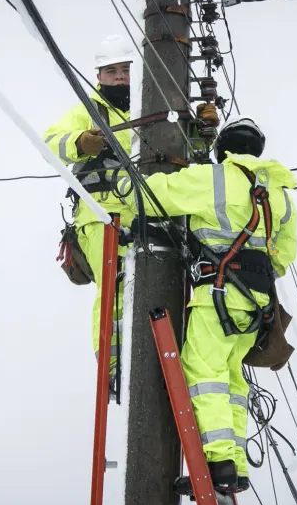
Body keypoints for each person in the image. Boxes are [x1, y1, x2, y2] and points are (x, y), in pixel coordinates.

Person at [106, 115, 297, 493]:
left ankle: (220, 462)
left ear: (222, 150)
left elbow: (154, 195)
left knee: (205, 373)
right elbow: (283, 258)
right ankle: (234, 464)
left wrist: (122, 181)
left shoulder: (215, 178)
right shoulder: (280, 196)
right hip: (258, 305)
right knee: (232, 380)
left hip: (219, 296)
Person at [46, 34, 220, 388]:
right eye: (112, 72)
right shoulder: (88, 111)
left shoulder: (154, 108)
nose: (120, 78)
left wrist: (203, 131)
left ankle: (156, 367)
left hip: (151, 212)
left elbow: (188, 153)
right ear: (99, 76)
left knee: (162, 287)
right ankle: (113, 367)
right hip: (101, 213)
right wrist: (79, 142)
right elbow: (51, 142)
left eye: (125, 71)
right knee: (115, 285)